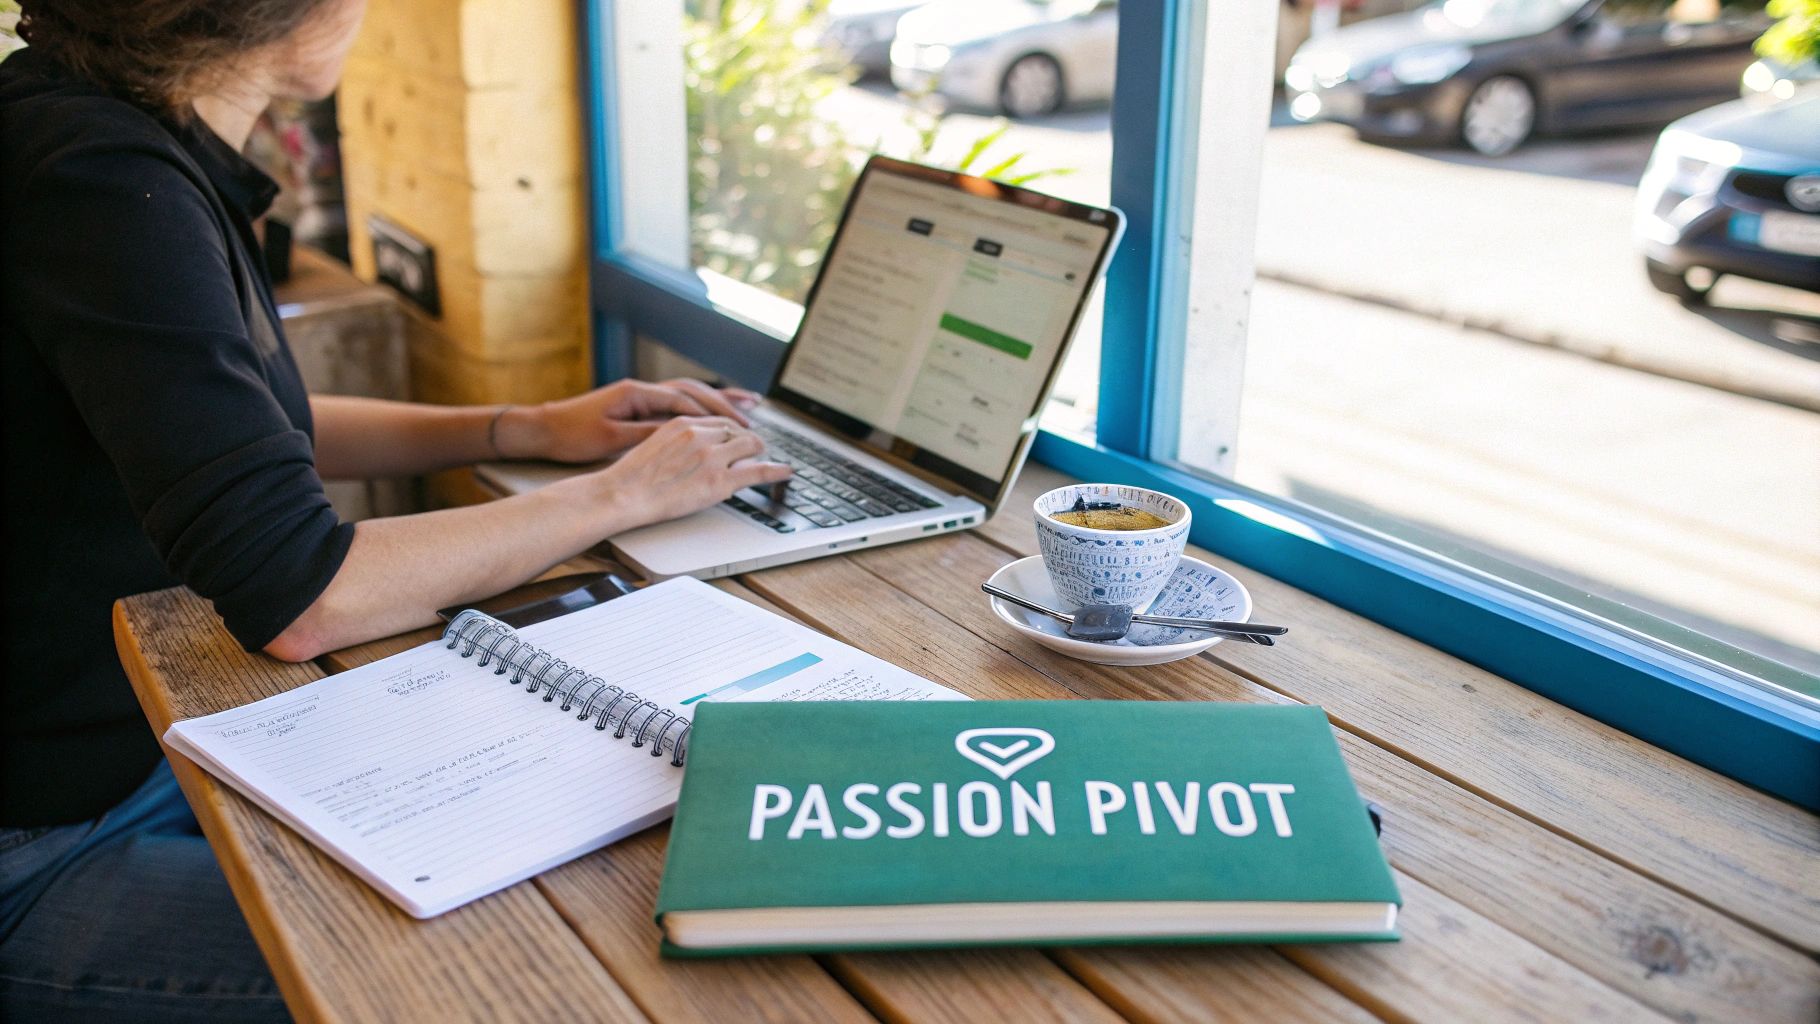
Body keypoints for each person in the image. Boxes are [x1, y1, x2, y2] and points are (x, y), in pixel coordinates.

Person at [0, 1, 791, 1019]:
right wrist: (620, 494)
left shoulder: (83, 128)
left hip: (141, 756)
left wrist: (520, 427)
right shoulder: (101, 184)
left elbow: (231, 436)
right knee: (533, 971)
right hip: (47, 847)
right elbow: (301, 595)